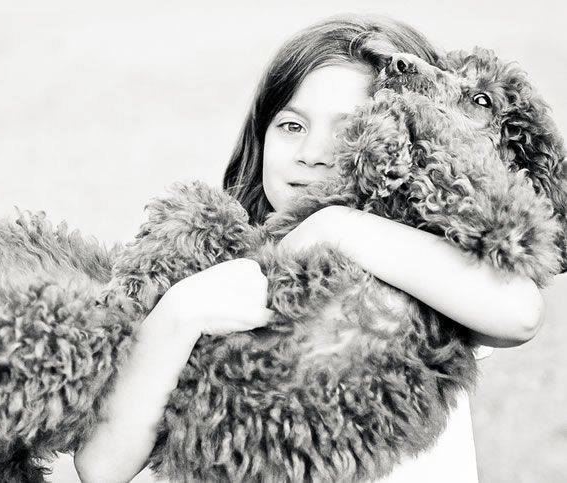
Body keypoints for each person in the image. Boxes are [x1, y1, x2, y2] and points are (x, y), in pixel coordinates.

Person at [73, 15, 544, 483]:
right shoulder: (217, 266)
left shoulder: (417, 262)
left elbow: (520, 312)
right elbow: (101, 468)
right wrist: (181, 311)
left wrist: (335, 226)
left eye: (349, 127)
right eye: (292, 126)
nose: (312, 153)